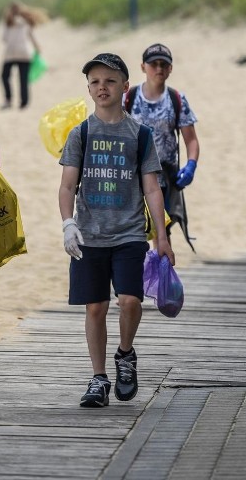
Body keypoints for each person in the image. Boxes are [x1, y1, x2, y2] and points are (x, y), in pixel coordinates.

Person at [58, 53, 174, 408]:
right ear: (88, 89)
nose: (101, 87)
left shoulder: (140, 135)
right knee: (95, 307)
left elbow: (152, 187)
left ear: (125, 87)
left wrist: (162, 235)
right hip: (89, 235)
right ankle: (98, 378)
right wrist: (68, 224)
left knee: (130, 300)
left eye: (109, 81)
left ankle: (125, 354)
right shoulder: (81, 133)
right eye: (94, 81)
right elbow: (66, 187)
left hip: (129, 234)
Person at [123, 43, 199, 251]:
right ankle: (133, 279)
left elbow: (190, 139)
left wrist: (191, 165)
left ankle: (159, 281)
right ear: (142, 67)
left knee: (162, 231)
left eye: (163, 65)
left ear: (170, 69)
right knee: (132, 233)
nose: (158, 69)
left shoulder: (177, 100)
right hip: (131, 177)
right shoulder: (128, 98)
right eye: (153, 64)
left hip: (164, 177)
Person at [0, 1, 46, 110]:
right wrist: (37, 48)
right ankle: (24, 103)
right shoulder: (26, 22)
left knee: (5, 76)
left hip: (10, 54)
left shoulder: (8, 23)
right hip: (25, 53)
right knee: (23, 79)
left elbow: (4, 38)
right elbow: (32, 36)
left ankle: (8, 99)